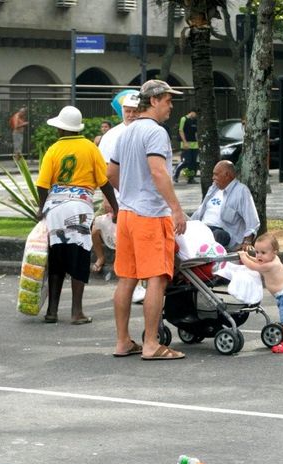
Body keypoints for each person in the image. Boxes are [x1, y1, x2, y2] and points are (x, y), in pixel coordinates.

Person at [107, 79, 187, 360]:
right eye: (167, 100)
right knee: (157, 279)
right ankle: (151, 343)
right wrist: (176, 209)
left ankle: (122, 342)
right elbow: (158, 172)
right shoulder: (155, 132)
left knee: (127, 279)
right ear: (153, 101)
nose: (171, 106)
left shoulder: (126, 132)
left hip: (127, 214)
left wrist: (129, 192)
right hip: (150, 216)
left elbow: (111, 174)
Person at [36, 105, 118, 325]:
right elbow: (104, 182)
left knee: (57, 257)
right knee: (79, 256)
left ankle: (52, 311)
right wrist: (116, 208)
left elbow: (43, 185)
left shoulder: (53, 149)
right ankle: (76, 312)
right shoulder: (90, 148)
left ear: (62, 130)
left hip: (55, 208)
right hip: (80, 208)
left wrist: (40, 208)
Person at [92, 92, 146, 303]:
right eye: (127, 111)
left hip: (141, 198)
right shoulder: (111, 136)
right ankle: (131, 285)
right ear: (121, 111)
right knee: (125, 244)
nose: (131, 115)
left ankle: (138, 284)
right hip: (119, 198)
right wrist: (108, 200)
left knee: (137, 242)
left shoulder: (147, 131)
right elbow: (106, 171)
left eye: (135, 111)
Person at [239, 233, 283, 354]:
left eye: (263, 252)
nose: (259, 255)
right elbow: (258, 261)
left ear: (274, 252)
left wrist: (243, 257)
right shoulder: (274, 259)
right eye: (257, 252)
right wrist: (249, 255)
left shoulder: (269, 265)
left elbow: (253, 266)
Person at [191, 160, 260, 250]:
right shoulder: (213, 188)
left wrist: (247, 241)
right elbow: (199, 212)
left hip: (221, 233)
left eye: (216, 174)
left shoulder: (241, 191)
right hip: (203, 228)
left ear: (227, 175)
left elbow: (253, 221)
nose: (213, 178)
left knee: (217, 235)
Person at [173, 109, 198, 184]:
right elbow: (181, 131)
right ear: (192, 112)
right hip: (186, 144)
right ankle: (175, 175)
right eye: (196, 114)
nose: (196, 116)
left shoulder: (195, 120)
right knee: (186, 161)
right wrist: (185, 142)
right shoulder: (184, 119)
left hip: (195, 144)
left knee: (193, 163)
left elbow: (196, 132)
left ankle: (191, 178)